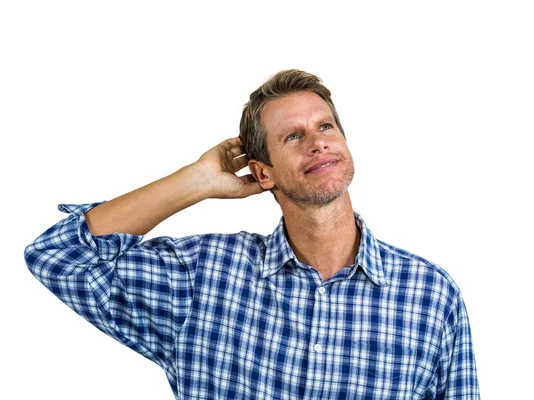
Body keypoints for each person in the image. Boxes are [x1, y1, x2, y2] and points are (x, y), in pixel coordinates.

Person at [25, 69, 480, 399]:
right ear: (262, 173)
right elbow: (58, 254)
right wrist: (195, 181)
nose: (318, 141)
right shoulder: (202, 278)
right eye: (293, 137)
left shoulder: (430, 296)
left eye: (325, 127)